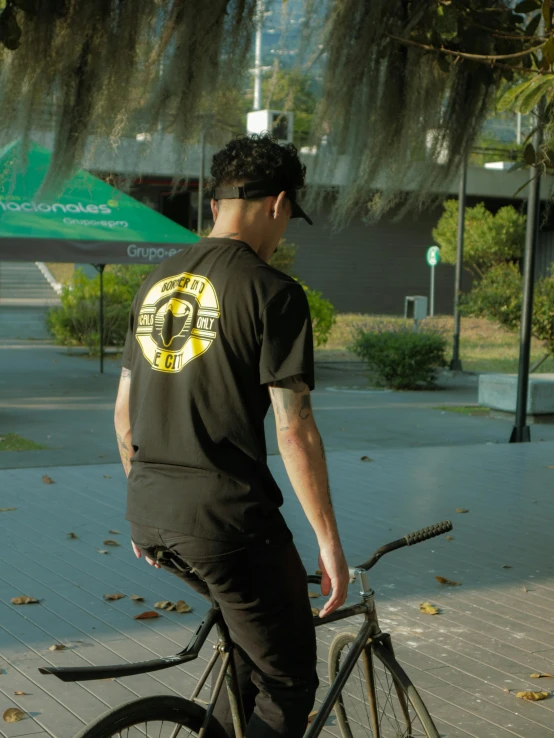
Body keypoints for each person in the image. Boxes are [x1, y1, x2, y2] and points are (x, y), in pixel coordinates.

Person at [114, 133, 349, 738]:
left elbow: (123, 417)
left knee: (253, 655)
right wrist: (329, 546)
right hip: (228, 521)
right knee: (290, 681)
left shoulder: (154, 284)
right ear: (276, 204)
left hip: (149, 513)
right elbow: (295, 432)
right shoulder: (274, 293)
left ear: (216, 202)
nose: (285, 233)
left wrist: (153, 499)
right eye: (289, 218)